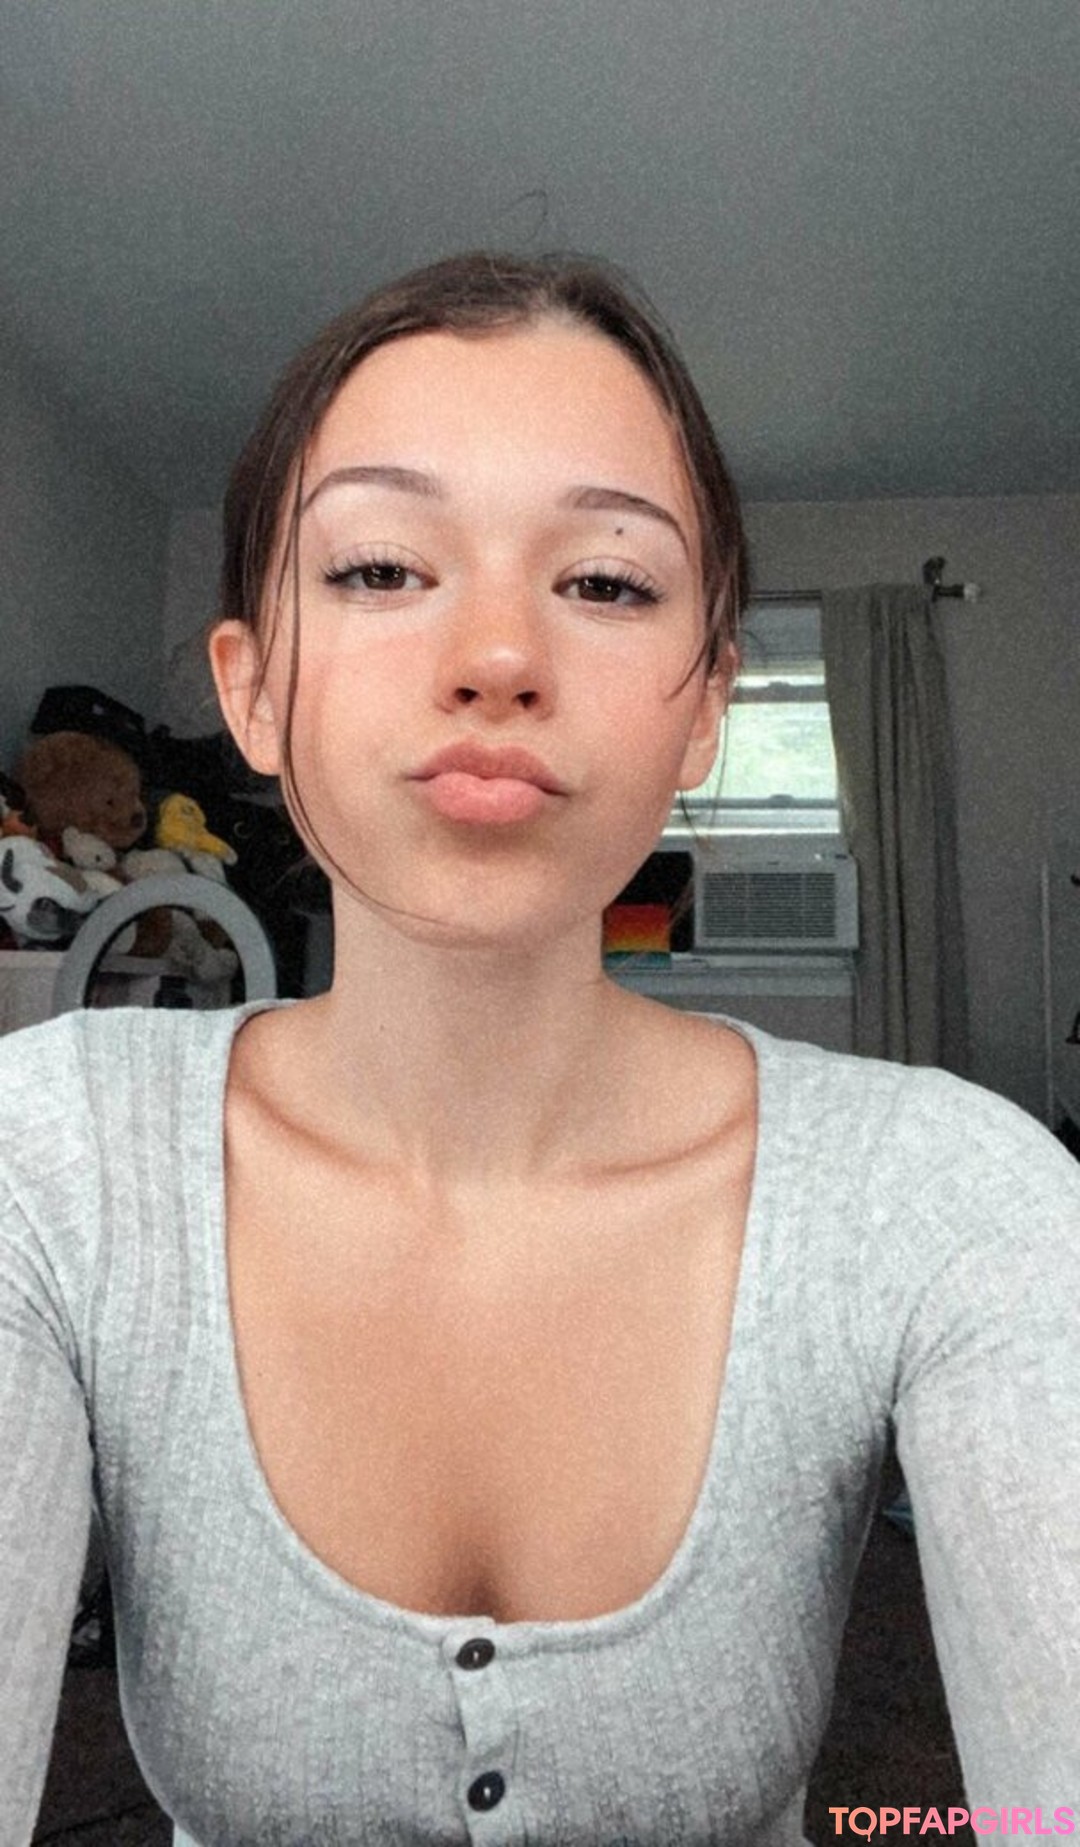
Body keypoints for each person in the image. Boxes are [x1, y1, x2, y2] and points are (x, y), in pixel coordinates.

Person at [1, 251, 1078, 1847]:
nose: (499, 653)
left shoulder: (955, 1198)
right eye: (381, 568)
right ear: (254, 691)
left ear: (706, 707)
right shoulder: (46, 1163)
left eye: (608, 583)